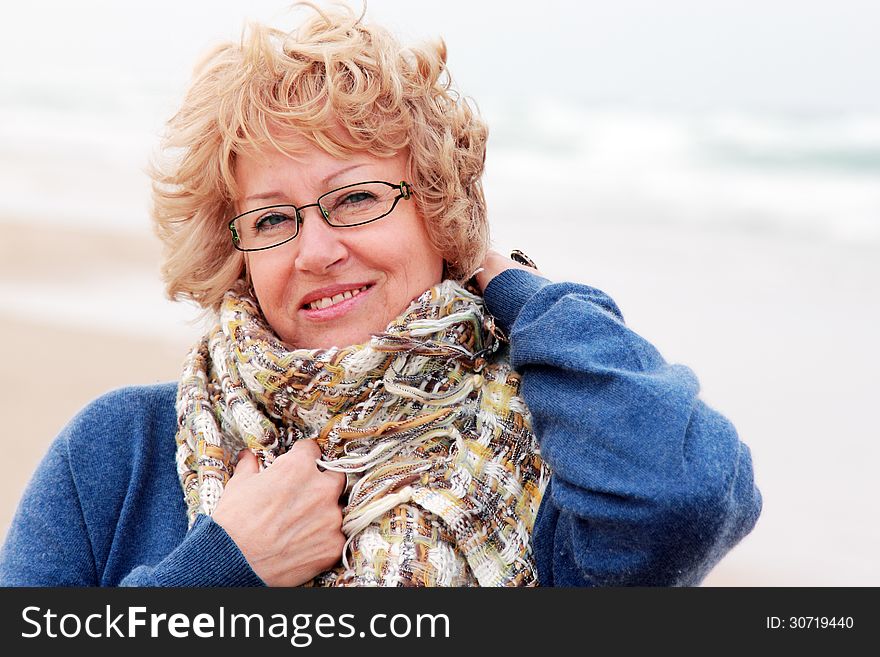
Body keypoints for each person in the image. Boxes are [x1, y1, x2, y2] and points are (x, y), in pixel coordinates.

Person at [0, 4, 760, 587]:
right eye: (271, 218)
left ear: (437, 211)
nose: (316, 250)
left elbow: (686, 496)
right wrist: (225, 568)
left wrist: (510, 285)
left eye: (357, 199)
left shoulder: (556, 468)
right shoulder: (117, 451)